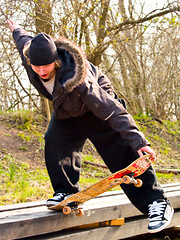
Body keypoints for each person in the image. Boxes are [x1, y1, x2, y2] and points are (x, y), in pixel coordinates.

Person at [7, 19, 174, 233]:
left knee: (120, 150)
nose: (41, 71)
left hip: (97, 108)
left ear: (56, 60)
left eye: (46, 65)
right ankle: (66, 191)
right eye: (36, 66)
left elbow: (113, 110)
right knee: (55, 140)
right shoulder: (31, 54)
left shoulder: (82, 81)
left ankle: (156, 202)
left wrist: (139, 141)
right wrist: (16, 29)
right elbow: (23, 39)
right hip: (67, 110)